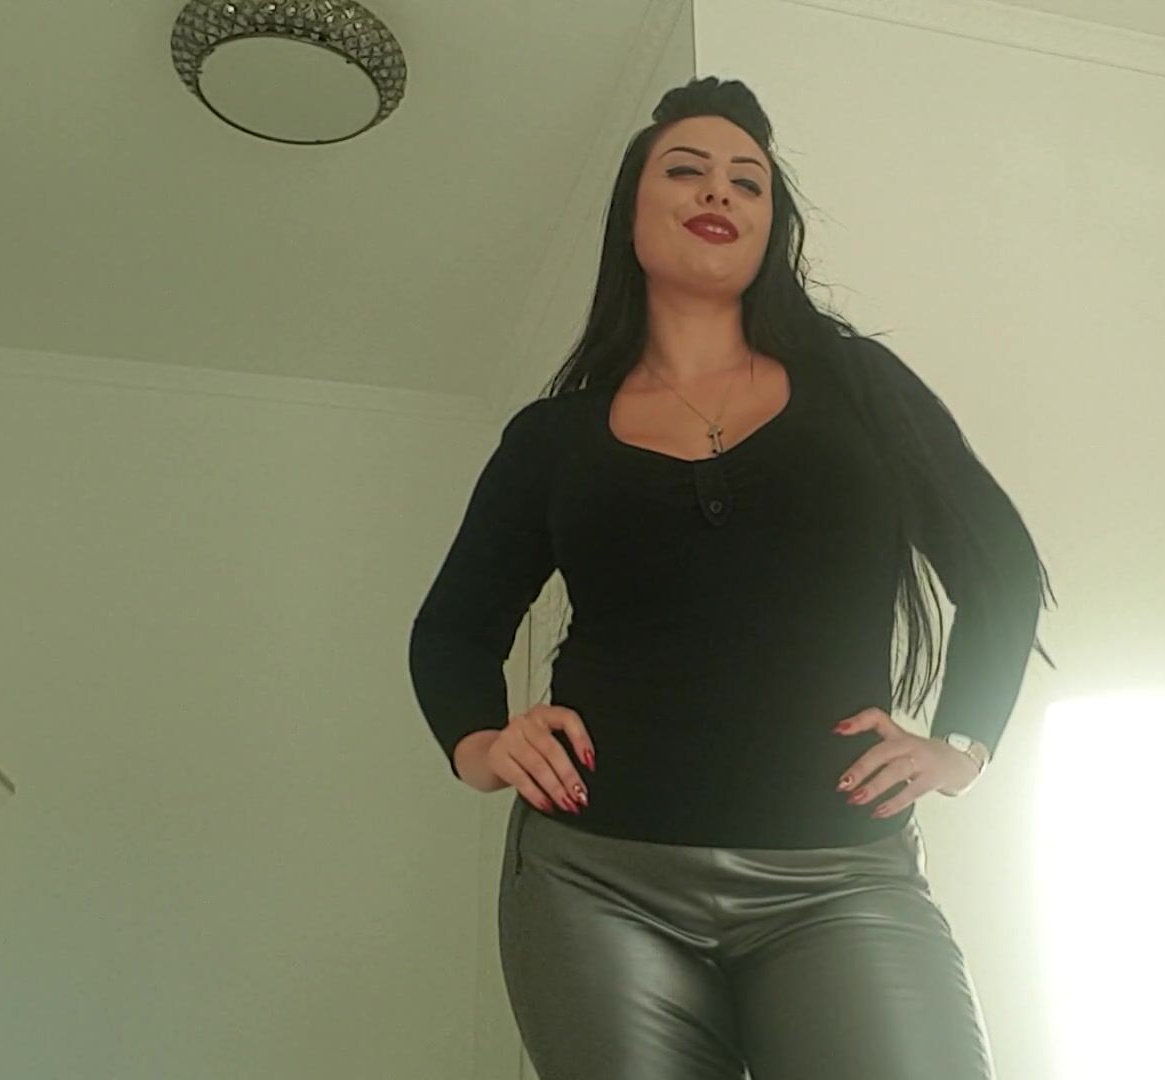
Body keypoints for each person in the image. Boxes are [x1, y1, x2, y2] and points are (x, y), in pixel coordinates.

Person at [408, 76, 1053, 1080]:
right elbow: (453, 630)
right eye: (687, 170)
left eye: (748, 182)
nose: (719, 191)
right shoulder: (551, 438)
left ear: (768, 226)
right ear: (632, 216)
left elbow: (1000, 563)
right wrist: (483, 747)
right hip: (596, 879)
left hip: (841, 877)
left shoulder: (860, 389)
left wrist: (963, 744)